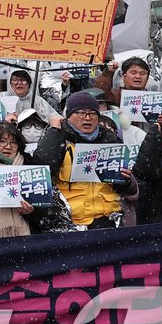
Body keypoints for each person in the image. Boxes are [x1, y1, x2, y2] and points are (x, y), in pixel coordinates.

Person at [32, 91, 137, 229]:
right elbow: (43, 166)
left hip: (108, 221)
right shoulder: (58, 138)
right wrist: (54, 131)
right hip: (71, 223)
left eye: (92, 113)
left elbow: (122, 187)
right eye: (81, 113)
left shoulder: (109, 140)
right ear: (69, 116)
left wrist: (126, 180)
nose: (87, 118)